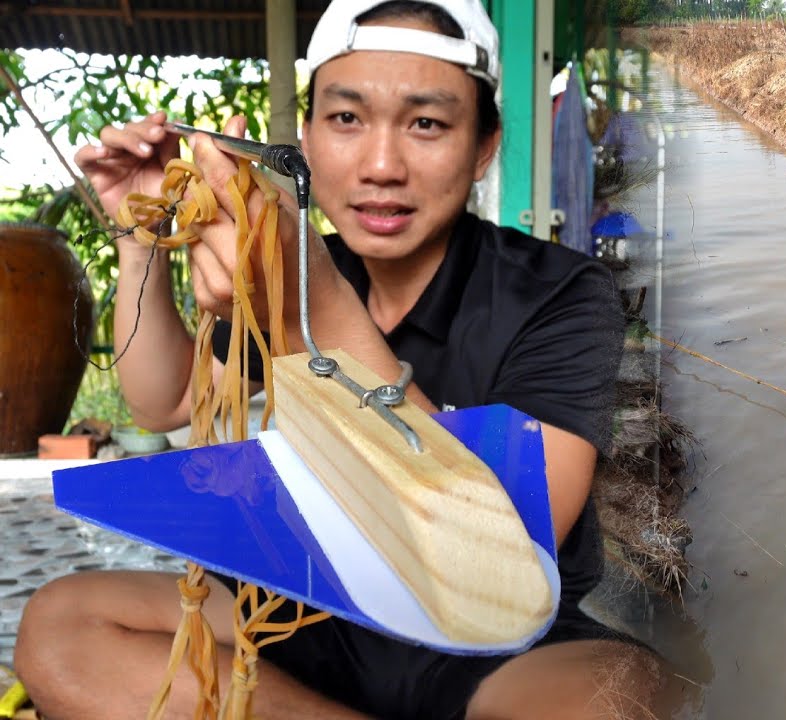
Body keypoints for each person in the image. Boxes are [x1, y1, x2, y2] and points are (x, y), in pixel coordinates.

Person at [14, 1, 663, 718]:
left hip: (502, 643)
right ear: (308, 142)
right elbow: (161, 401)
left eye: (427, 123)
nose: (381, 166)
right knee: (62, 629)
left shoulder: (564, 293)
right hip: (312, 605)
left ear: (483, 147)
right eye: (347, 119)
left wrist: (315, 304)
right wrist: (139, 237)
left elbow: (498, 565)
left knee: (620, 699)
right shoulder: (289, 271)